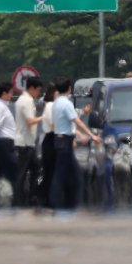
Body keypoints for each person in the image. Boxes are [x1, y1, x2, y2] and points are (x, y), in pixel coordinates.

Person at [49, 77, 101, 210]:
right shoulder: (66, 104)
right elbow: (77, 121)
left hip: (60, 139)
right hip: (65, 141)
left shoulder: (56, 103)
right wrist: (92, 135)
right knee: (65, 174)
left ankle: (68, 201)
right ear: (69, 88)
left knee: (69, 173)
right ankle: (64, 203)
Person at [15, 77, 44, 207]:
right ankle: (19, 201)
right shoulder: (26, 101)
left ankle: (31, 197)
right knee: (21, 174)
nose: (38, 93)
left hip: (29, 143)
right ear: (32, 88)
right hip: (24, 144)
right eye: (38, 90)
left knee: (36, 168)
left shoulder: (25, 99)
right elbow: (30, 121)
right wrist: (44, 117)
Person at [38, 82, 58, 208]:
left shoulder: (51, 105)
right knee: (50, 172)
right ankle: (46, 199)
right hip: (50, 139)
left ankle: (48, 198)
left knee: (51, 171)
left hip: (51, 140)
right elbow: (52, 124)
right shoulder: (50, 106)